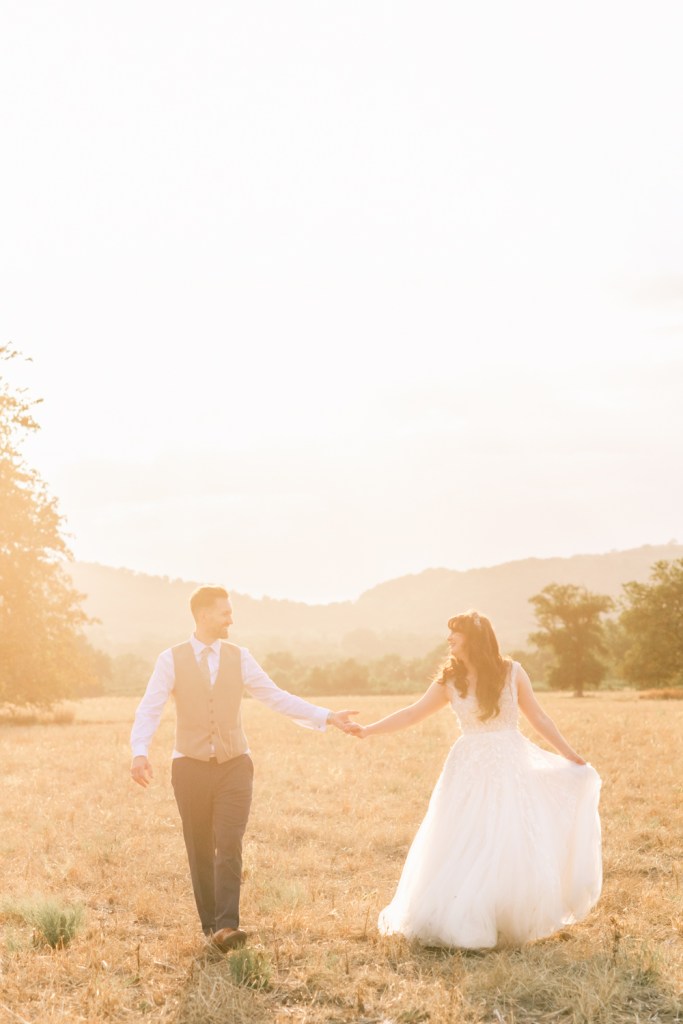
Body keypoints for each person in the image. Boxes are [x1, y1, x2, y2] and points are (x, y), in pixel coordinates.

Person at [349, 610, 602, 949]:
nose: (449, 638)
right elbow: (412, 713)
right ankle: (464, 918)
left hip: (510, 761)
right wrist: (368, 730)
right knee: (465, 835)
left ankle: (504, 917)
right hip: (468, 766)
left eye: (455, 633)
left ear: (475, 639)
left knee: (508, 834)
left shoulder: (513, 672)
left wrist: (570, 754)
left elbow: (538, 717)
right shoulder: (449, 681)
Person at [130, 585, 357, 951]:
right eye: (225, 612)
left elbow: (275, 696)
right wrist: (140, 751)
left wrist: (327, 716)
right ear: (204, 615)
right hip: (188, 766)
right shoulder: (170, 660)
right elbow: (150, 707)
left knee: (230, 842)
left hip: (235, 765)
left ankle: (227, 925)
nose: (231, 618)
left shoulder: (241, 657)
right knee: (199, 846)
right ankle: (211, 928)